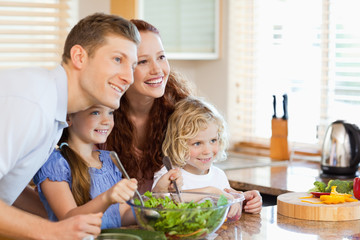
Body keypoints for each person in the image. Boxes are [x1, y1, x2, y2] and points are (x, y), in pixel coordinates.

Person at [0, 13, 140, 239]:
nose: (129, 77)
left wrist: (63, 219)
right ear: (79, 56)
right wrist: (52, 231)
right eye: (117, 59)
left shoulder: (53, 112)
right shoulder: (33, 104)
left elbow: (7, 188)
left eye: (132, 65)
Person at [100, 19, 193, 194]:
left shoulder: (182, 114)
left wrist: (233, 195)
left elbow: (201, 174)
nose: (157, 69)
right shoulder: (99, 120)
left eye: (161, 57)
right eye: (143, 61)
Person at [33, 105, 138, 229]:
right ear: (68, 117)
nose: (107, 121)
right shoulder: (55, 164)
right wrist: (107, 197)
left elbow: (121, 214)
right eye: (95, 112)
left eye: (110, 113)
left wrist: (155, 208)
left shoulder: (109, 159)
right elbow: (68, 219)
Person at [154, 96, 263, 215]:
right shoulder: (168, 174)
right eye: (197, 143)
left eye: (213, 141)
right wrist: (211, 192)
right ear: (177, 144)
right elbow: (160, 202)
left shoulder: (219, 176)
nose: (207, 151)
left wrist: (244, 200)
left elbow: (227, 201)